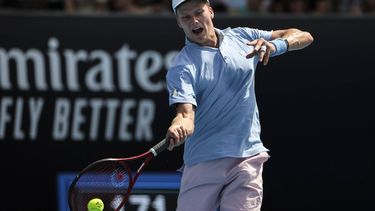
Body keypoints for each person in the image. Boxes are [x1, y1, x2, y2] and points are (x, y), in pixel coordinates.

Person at [165, 0, 314, 210]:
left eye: (198, 12)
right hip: (204, 161)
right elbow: (185, 114)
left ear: (211, 11)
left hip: (248, 156)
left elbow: (304, 36)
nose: (194, 21)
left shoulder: (242, 36)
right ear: (179, 23)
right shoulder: (182, 67)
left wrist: (274, 45)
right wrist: (180, 125)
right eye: (186, 17)